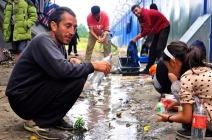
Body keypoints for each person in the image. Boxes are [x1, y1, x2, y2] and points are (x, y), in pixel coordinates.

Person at [5, 7, 111, 139]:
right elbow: (62, 70)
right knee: (77, 79)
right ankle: (39, 123)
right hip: (22, 100)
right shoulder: (43, 39)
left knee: (78, 72)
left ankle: (53, 118)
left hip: (32, 94)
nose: (72, 32)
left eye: (74, 27)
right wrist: (93, 65)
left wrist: (70, 62)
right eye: (68, 26)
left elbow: (56, 67)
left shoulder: (59, 47)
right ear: (54, 25)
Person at [156, 41, 212, 139]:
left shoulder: (186, 78)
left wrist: (169, 118)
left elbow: (186, 118)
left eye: (168, 67)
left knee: (176, 87)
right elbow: (208, 96)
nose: (169, 71)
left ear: (173, 62)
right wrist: (175, 102)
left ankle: (201, 130)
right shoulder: (205, 67)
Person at [131, 5, 170, 74]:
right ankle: (148, 68)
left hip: (164, 26)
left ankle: (163, 69)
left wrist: (136, 38)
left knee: (159, 48)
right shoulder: (140, 18)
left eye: (136, 10)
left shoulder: (145, 14)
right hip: (157, 30)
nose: (136, 13)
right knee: (152, 49)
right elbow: (143, 28)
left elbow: (147, 30)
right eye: (134, 13)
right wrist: (139, 36)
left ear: (140, 8)